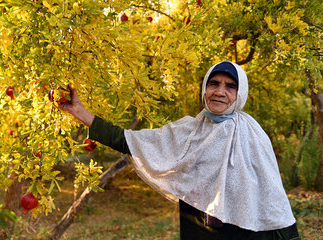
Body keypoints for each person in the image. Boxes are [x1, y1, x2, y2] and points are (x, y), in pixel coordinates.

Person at [59, 61, 301, 240]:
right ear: (205, 89)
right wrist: (80, 112)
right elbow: (130, 141)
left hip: (246, 233)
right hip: (199, 230)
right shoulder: (189, 131)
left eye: (230, 86)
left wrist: (289, 236)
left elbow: (271, 196)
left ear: (240, 94)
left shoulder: (253, 134)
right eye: (214, 84)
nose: (219, 91)